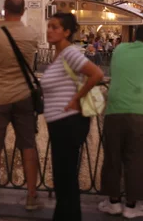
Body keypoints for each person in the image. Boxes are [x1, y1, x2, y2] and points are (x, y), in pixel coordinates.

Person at [98, 25, 143, 219]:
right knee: (137, 159)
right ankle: (131, 206)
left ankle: (113, 203)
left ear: (133, 37)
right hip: (141, 112)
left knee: (113, 157)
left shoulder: (120, 49)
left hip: (114, 110)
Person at [0, 0, 42, 211]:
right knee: (28, 145)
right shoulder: (32, 34)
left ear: (4, 10)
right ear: (23, 11)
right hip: (24, 96)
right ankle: (31, 196)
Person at [41, 13, 104, 220]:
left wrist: (76, 99)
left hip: (69, 122)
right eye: (49, 26)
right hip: (59, 123)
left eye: (55, 27)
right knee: (63, 178)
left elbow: (96, 74)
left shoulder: (69, 53)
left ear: (67, 32)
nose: (50, 30)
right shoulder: (58, 55)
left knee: (65, 178)